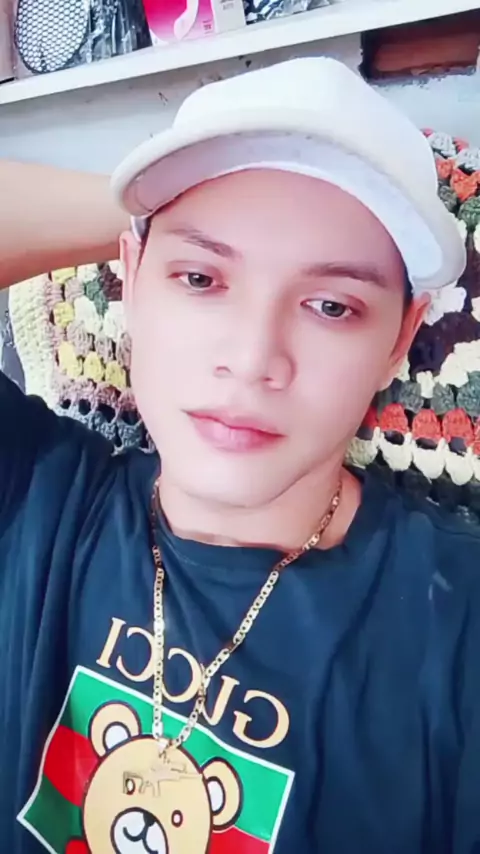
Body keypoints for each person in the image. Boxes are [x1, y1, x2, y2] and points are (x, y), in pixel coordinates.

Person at [1, 56, 480, 854]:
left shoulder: (458, 627)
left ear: (400, 337)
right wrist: (147, 199)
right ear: (131, 276)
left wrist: (193, 222)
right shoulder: (34, 500)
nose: (254, 359)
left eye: (331, 305)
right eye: (199, 277)